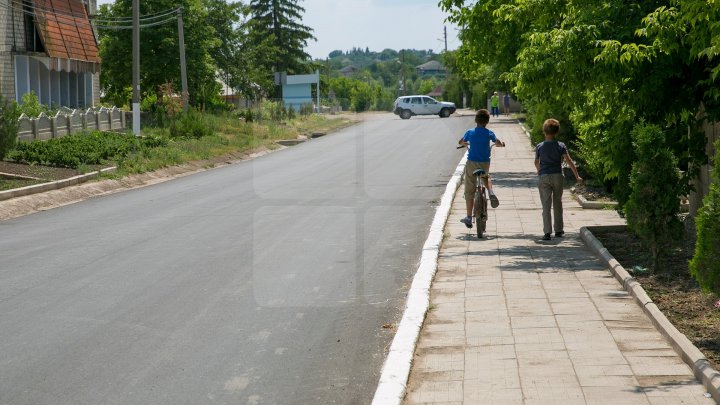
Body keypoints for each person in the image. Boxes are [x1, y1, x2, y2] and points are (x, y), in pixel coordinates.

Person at [534, 118, 583, 240]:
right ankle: (559, 230)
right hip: (557, 176)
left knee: (546, 204)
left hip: (544, 176)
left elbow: (536, 162)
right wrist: (577, 175)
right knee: (557, 202)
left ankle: (547, 232)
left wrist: (539, 171)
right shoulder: (561, 145)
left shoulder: (539, 146)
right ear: (556, 132)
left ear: (544, 131)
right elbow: (569, 161)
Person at [459, 109, 505, 229]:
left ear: (476, 120)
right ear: (487, 121)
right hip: (484, 163)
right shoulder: (489, 133)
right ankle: (490, 192)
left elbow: (461, 141)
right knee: (486, 176)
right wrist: (501, 144)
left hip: (472, 163)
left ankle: (469, 217)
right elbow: (497, 142)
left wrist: (464, 143)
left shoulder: (470, 132)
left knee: (469, 189)